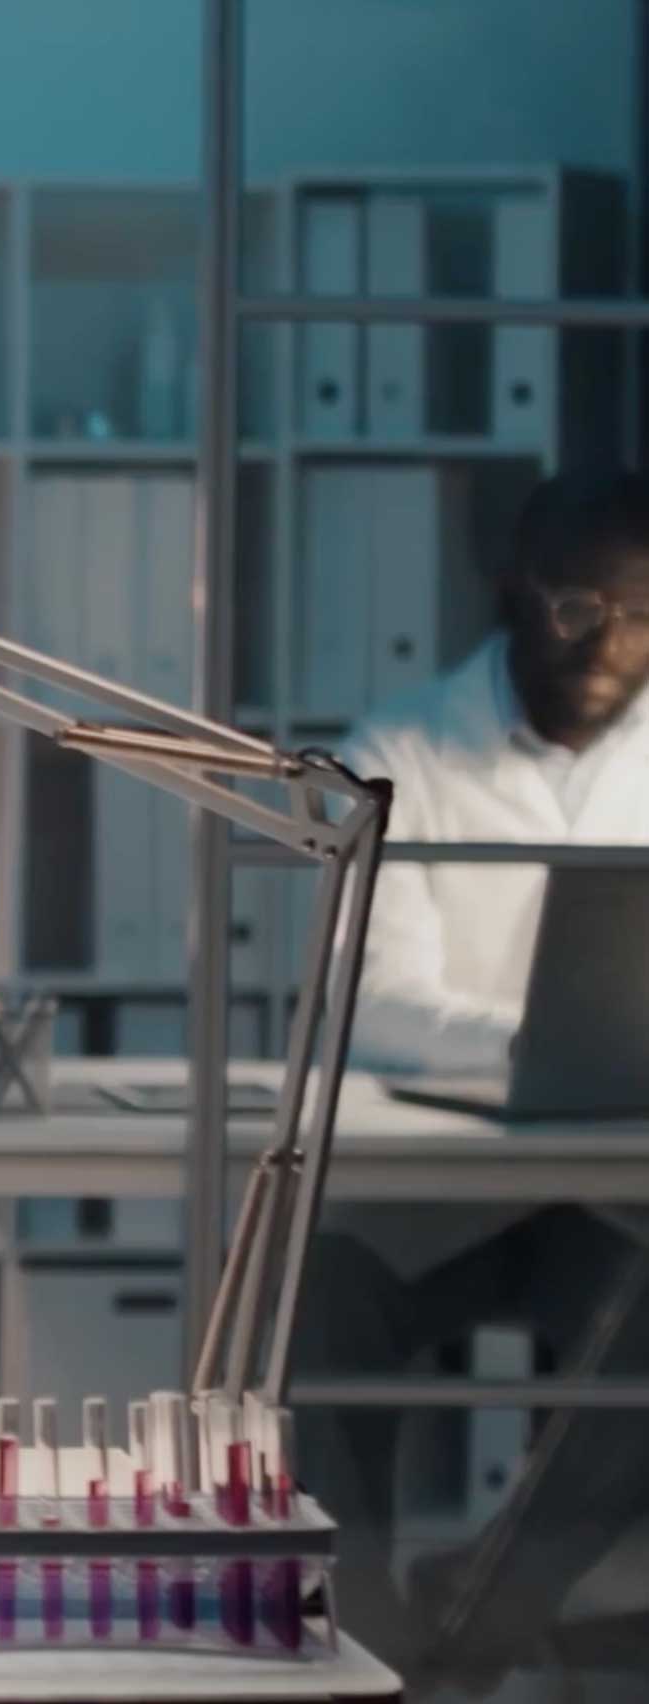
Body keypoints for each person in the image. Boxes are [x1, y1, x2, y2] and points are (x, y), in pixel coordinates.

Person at [296, 470, 649, 1684]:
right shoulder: (397, 750)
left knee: (647, 1309)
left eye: (643, 614)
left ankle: (481, 1619)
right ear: (509, 589)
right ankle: (354, 1632)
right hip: (432, 1193)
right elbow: (375, 999)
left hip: (604, 1195)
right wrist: (543, 1048)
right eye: (575, 606)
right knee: (317, 1294)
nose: (607, 641)